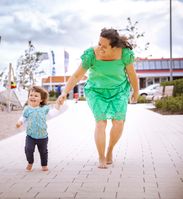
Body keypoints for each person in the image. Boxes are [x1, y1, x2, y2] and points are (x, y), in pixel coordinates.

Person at [57, 28, 139, 169]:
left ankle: (110, 150)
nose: (100, 48)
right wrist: (64, 92)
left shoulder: (124, 54)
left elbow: (132, 75)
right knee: (101, 123)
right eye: (99, 43)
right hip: (96, 91)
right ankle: (101, 156)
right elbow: (76, 76)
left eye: (104, 46)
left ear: (114, 46)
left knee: (118, 122)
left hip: (119, 91)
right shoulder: (91, 55)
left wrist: (136, 92)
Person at [16, 86, 63, 171]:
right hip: (30, 136)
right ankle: (30, 162)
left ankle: (44, 165)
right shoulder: (27, 109)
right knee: (28, 149)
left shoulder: (44, 109)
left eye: (36, 96)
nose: (32, 97)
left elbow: (53, 113)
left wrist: (58, 105)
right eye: (31, 95)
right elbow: (23, 117)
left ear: (41, 99)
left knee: (43, 151)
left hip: (43, 136)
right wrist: (20, 122)